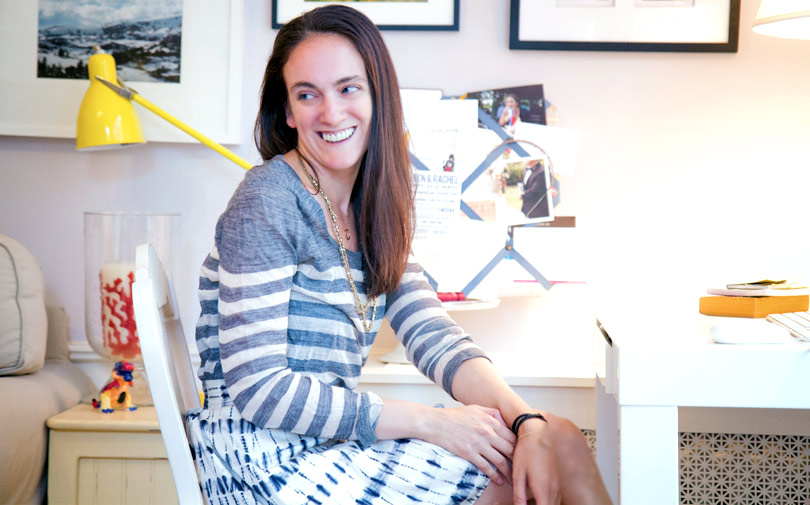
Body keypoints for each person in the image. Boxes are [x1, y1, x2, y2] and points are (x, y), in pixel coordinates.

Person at [188, 5, 611, 505]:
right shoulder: (268, 199)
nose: (331, 113)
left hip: (327, 444)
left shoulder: (372, 206)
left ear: (378, 96)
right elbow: (260, 388)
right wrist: (431, 422)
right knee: (508, 477)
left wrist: (527, 420)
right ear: (287, 111)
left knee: (557, 438)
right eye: (307, 94)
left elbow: (432, 334)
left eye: (348, 88)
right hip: (263, 460)